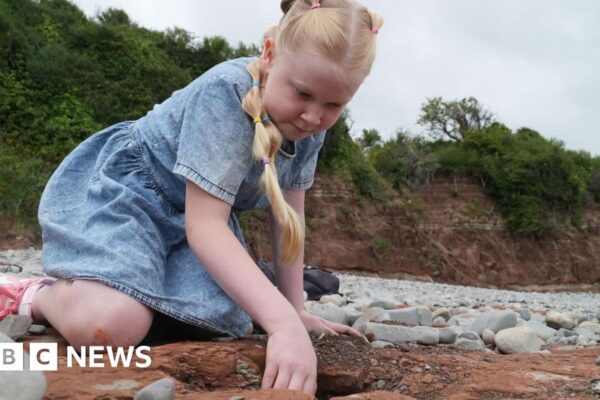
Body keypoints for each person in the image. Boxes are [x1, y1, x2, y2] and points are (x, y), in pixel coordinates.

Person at [0, 0, 382, 394]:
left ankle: (122, 282)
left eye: (334, 105)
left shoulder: (309, 129)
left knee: (223, 318)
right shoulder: (226, 94)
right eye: (302, 93)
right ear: (270, 55)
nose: (312, 117)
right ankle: (35, 295)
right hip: (130, 197)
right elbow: (206, 226)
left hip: (189, 222)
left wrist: (293, 311)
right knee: (112, 326)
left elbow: (288, 220)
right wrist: (281, 323)